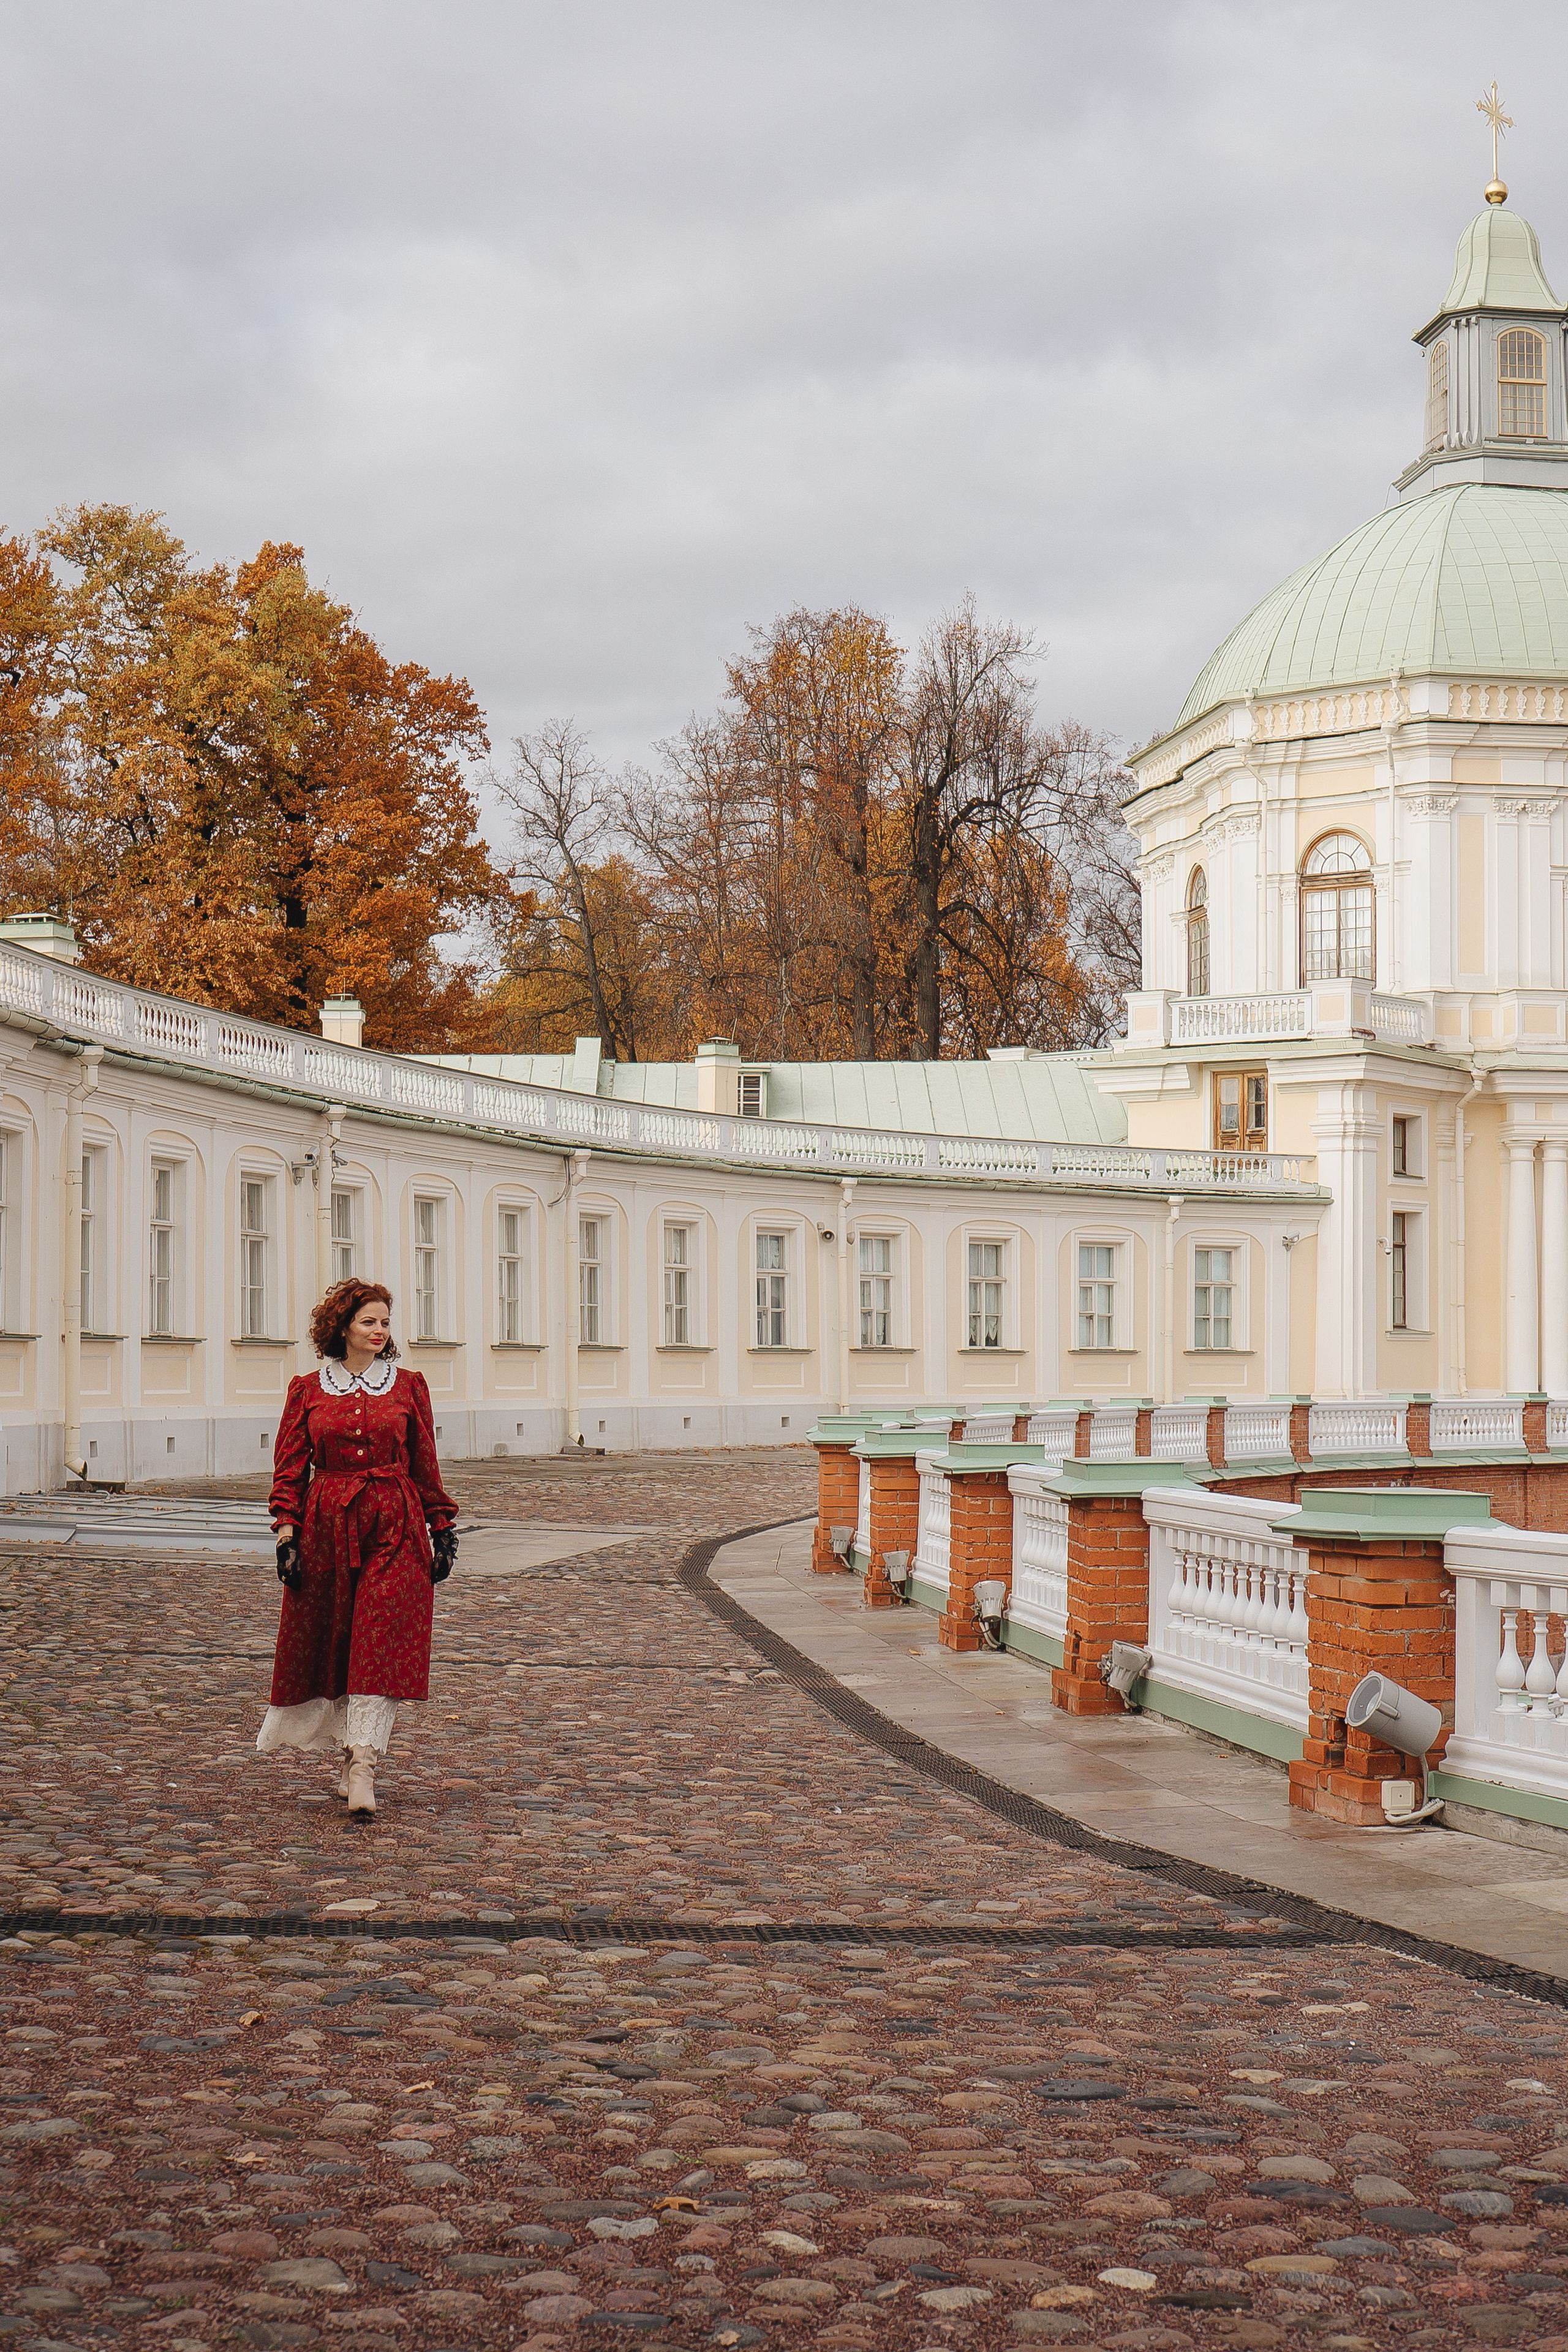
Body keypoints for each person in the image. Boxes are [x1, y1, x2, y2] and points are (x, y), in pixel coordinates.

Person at [256, 1278, 458, 1817]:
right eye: (369, 1321)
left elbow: (425, 1461)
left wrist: (442, 1528)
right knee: (337, 1643)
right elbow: (289, 1469)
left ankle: (364, 1762)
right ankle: (347, 1756)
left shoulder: (409, 1386)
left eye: (385, 1323)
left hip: (396, 1522)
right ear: (342, 1326)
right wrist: (287, 1537)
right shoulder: (308, 1389)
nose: (379, 1331)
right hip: (327, 1527)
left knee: (379, 1641)